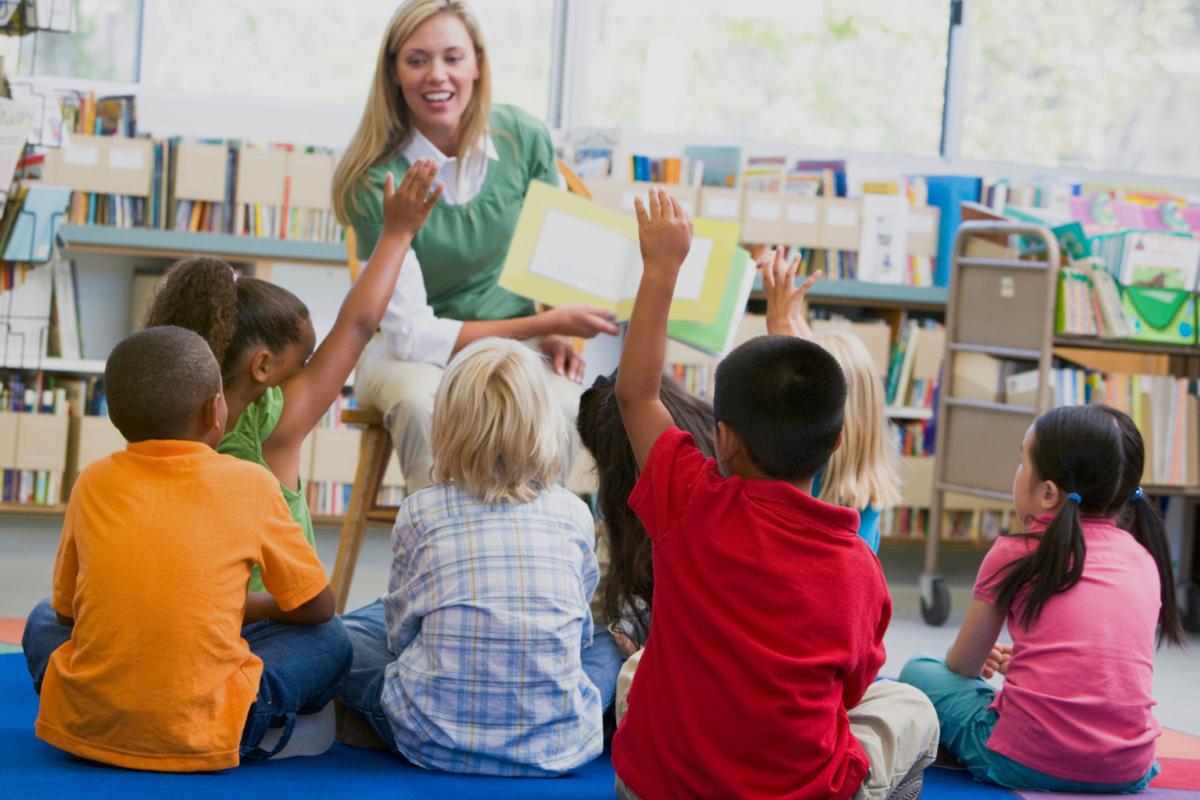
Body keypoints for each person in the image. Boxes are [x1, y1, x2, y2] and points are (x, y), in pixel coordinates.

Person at [610, 188, 938, 800]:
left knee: (639, 667)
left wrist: (661, 269)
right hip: (799, 791)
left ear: (724, 439)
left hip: (661, 789)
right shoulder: (860, 570)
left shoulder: (690, 501)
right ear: (838, 440)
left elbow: (637, 396)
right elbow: (849, 695)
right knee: (912, 706)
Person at [20, 327, 351, 770]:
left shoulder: (92, 482)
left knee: (40, 615)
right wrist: (246, 607)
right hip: (215, 726)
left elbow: (64, 614)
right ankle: (257, 728)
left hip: (87, 722)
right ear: (215, 411)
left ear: (115, 417)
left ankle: (92, 710)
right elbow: (317, 608)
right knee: (332, 640)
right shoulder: (251, 483)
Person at [332, 0, 618, 492]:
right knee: (424, 402)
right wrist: (542, 324)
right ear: (393, 73)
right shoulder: (375, 180)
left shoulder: (523, 137)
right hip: (407, 355)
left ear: (478, 65)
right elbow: (413, 335)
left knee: (569, 407)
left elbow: (552, 255)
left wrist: (552, 329)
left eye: (453, 57)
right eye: (417, 60)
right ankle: (449, 557)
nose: (436, 75)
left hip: (517, 348)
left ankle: (537, 555)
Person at [144, 161, 441, 590]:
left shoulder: (158, 423)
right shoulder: (272, 423)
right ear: (262, 368)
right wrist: (397, 233)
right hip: (267, 628)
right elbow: (357, 325)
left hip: (185, 621)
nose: (307, 377)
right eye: (302, 366)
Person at [337, 338, 619, 776]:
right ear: (546, 426)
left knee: (343, 636)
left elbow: (400, 636)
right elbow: (578, 635)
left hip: (432, 738)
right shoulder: (574, 512)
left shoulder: (421, 510)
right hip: (556, 741)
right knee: (606, 645)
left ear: (445, 425)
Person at [900, 404, 1185, 793]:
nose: (1016, 473)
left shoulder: (1014, 552)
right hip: (1129, 768)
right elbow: (1105, 658)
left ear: (1048, 492)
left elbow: (963, 665)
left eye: (1022, 463)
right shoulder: (1144, 558)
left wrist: (980, 657)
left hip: (1021, 759)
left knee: (920, 669)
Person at [760, 246, 900, 551]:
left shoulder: (811, 481)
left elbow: (793, 393)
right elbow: (818, 367)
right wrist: (786, 312)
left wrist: (780, 323)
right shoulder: (863, 494)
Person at [577, 371, 715, 657]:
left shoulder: (659, 499)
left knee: (602, 648)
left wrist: (638, 654)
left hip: (683, 654)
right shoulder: (711, 439)